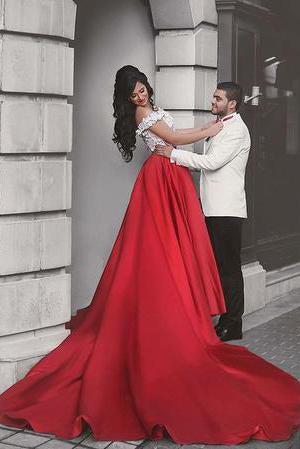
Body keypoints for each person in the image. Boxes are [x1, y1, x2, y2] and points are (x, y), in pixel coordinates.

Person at [0, 66, 299, 445]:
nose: (139, 97)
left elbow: (175, 143)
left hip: (170, 174)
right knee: (155, 247)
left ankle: (196, 312)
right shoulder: (145, 116)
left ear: (147, 87)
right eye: (133, 94)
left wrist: (184, 145)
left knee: (173, 247)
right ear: (128, 101)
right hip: (159, 178)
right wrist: (207, 131)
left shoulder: (166, 111)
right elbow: (172, 137)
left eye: (141, 89)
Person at [155, 82, 250, 342]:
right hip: (212, 208)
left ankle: (233, 324)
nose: (212, 102)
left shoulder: (236, 130)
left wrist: (174, 154)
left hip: (227, 210)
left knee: (229, 268)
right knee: (217, 266)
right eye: (213, 97)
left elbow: (211, 163)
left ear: (232, 103)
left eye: (218, 99)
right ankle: (222, 319)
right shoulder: (220, 126)